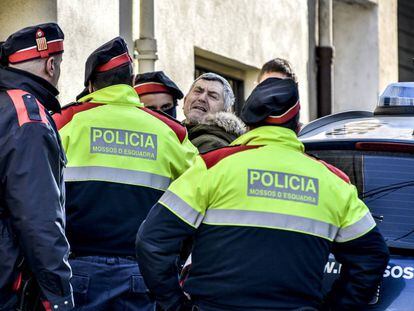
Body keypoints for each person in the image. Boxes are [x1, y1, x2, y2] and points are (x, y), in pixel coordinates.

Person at [135, 77, 389, 311]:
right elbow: (371, 257)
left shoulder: (212, 166)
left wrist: (175, 304)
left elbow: (152, 241)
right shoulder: (335, 182)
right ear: (297, 127)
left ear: (248, 125)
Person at [52, 37, 197, 311]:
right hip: (143, 273)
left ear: (92, 85)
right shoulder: (171, 133)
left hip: (77, 269)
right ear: (130, 84)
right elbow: (198, 202)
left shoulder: (65, 122)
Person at [0, 23, 73, 310]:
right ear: (51, 65)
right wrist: (59, 297)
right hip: (9, 283)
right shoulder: (28, 118)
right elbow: (39, 219)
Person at [182, 72, 246, 153]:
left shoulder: (214, 145)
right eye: (198, 91)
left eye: (212, 96)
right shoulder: (175, 133)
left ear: (225, 111)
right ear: (185, 100)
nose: (202, 98)